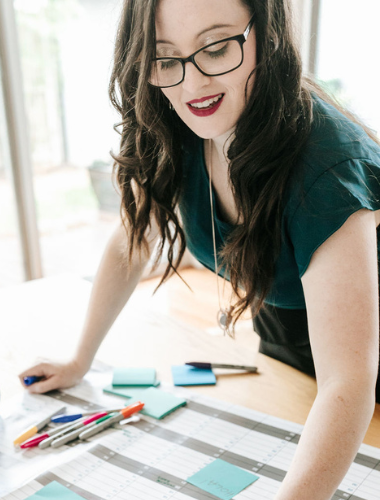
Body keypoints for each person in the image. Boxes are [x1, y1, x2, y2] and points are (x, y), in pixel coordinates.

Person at [20, 0, 380, 497]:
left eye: (215, 48)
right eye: (165, 58)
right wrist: (79, 359)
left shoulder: (327, 170)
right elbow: (132, 238)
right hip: (288, 333)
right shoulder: (173, 124)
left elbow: (349, 381)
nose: (191, 85)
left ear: (266, 33)